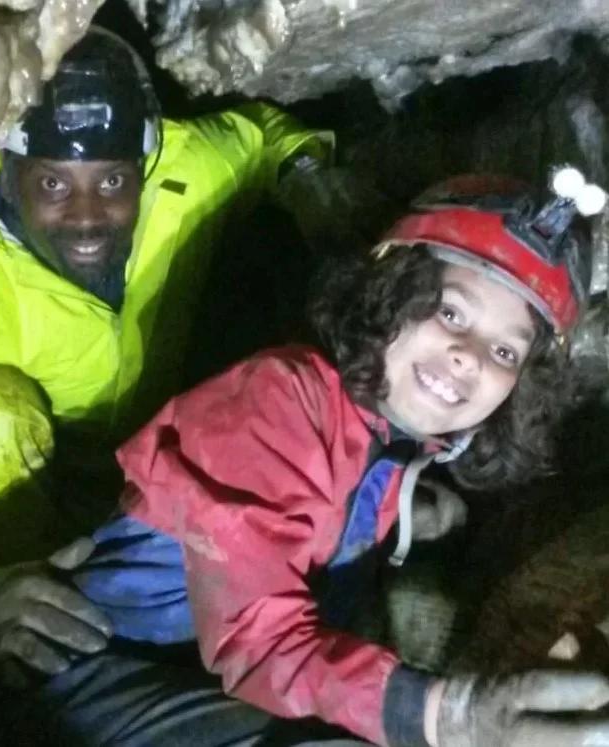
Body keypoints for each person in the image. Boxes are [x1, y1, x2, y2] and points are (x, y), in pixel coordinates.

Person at [0, 24, 333, 685]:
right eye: (54, 185)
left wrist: (310, 178)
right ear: (10, 172)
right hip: (24, 505)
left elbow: (263, 136)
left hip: (150, 473)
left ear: (145, 164)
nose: (88, 215)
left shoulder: (185, 175)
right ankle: (27, 658)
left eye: (113, 180)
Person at [68, 167, 609, 746]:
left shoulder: (396, 441)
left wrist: (408, 514)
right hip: (104, 660)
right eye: (451, 313)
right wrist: (449, 716)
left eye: (505, 351)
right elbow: (260, 645)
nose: (469, 356)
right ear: (393, 293)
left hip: (202, 675)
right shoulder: (275, 401)